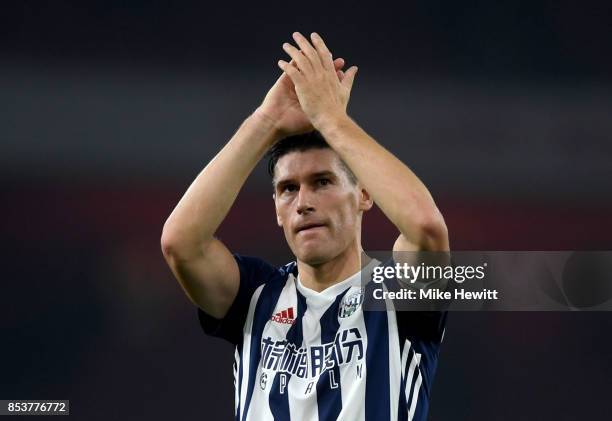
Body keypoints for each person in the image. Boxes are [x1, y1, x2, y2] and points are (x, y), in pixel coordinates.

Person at [161, 31, 449, 421]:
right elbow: (181, 243)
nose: (304, 203)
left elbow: (426, 229)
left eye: (323, 182)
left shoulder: (399, 295)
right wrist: (266, 122)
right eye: (287, 189)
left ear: (365, 195)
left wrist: (332, 121)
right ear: (277, 210)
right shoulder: (255, 296)